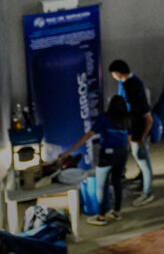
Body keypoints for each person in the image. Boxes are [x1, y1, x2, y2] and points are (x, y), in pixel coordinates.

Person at [54, 95, 130, 226]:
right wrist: (124, 151)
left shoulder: (104, 118)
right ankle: (117, 212)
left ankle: (101, 217)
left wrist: (69, 152)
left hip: (108, 154)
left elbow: (89, 135)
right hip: (122, 152)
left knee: (101, 184)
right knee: (117, 181)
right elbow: (129, 137)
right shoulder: (127, 118)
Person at [107, 59, 154, 206]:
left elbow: (148, 119)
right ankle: (142, 180)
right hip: (134, 132)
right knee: (140, 158)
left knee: (143, 161)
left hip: (138, 135)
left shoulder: (134, 91)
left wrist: (141, 137)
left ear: (118, 73)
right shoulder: (126, 84)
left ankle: (147, 192)